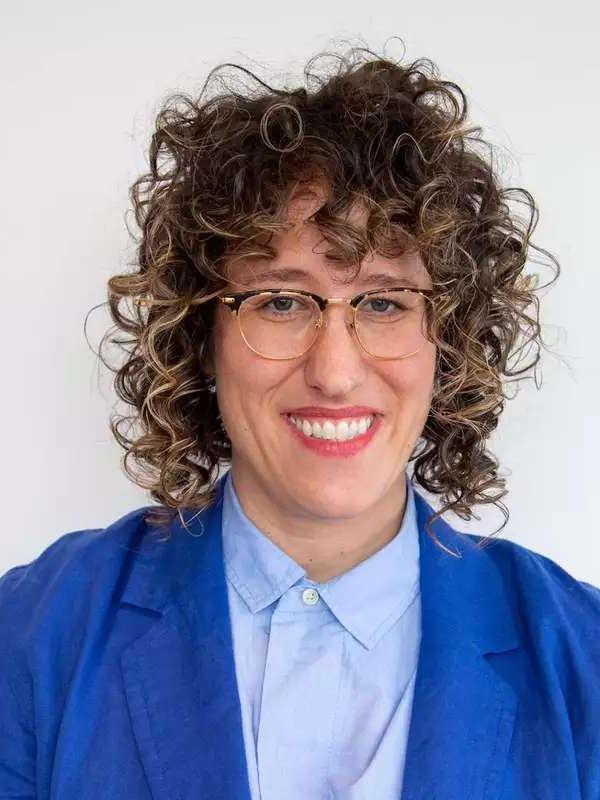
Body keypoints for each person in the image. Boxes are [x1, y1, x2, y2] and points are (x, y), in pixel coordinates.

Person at [1, 44, 598, 800]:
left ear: (450, 341)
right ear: (199, 339)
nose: (336, 371)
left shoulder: (584, 659)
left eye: (384, 302)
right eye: (281, 301)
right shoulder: (31, 639)